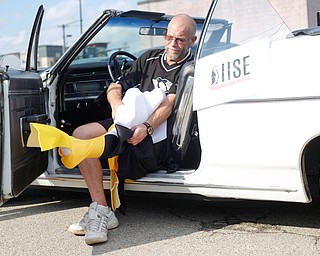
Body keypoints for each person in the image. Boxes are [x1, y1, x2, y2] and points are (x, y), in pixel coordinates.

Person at [66, 14, 197, 245]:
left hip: (156, 137)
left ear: (192, 41)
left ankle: (100, 214)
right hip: (127, 122)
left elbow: (168, 104)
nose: (172, 44)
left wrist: (146, 128)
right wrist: (117, 107)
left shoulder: (190, 67)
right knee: (80, 136)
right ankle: (102, 209)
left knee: (104, 146)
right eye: (169, 37)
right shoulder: (148, 58)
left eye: (180, 40)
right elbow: (115, 86)